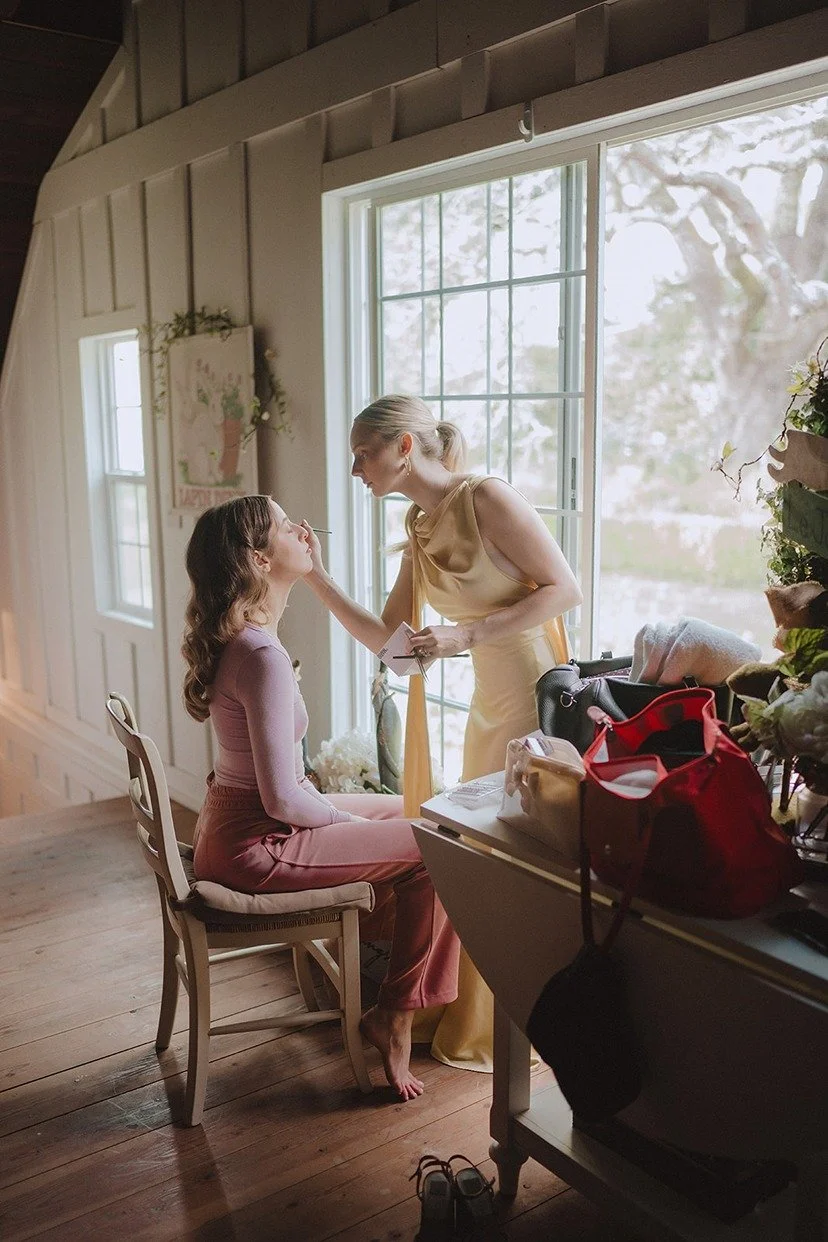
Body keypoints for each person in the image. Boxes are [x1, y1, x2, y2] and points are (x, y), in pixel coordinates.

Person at [303, 394, 583, 1071]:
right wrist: (316, 577)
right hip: (490, 699)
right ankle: (445, 1006)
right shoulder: (419, 524)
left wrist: (466, 633)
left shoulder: (487, 497)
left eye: (362, 454)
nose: (353, 469)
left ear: (403, 447)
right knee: (477, 853)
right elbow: (392, 647)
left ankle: (517, 1017)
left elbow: (565, 588)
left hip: (533, 694)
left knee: (510, 854)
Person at [182, 493, 460, 1101]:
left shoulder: (251, 640)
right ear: (259, 559)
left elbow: (279, 790)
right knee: (443, 847)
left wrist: (335, 818)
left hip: (236, 826)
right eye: (286, 526)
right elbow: (283, 801)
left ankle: (384, 976)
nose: (303, 528)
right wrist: (333, 822)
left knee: (423, 816)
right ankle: (395, 1014)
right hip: (257, 845)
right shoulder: (261, 654)